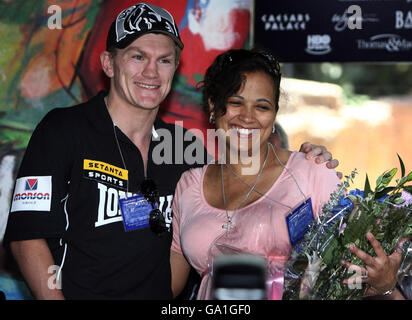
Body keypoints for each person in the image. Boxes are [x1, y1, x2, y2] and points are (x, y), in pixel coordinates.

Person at [3, 3, 338, 300]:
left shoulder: (187, 152)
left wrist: (306, 159)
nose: (151, 72)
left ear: (175, 68)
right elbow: (26, 237)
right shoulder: (64, 130)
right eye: (137, 56)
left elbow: (234, 198)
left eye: (164, 60)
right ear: (108, 63)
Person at [170, 48, 405, 300]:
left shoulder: (309, 171)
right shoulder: (190, 184)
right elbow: (168, 284)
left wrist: (386, 284)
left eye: (262, 106)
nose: (248, 117)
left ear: (274, 114)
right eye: (235, 102)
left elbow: (351, 270)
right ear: (214, 106)